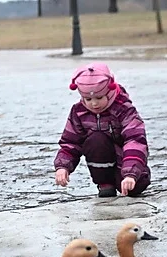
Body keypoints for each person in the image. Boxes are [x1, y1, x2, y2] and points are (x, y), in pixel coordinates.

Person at [54, 63, 151, 198]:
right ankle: (105, 184)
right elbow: (70, 142)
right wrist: (62, 166)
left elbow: (135, 140)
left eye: (99, 98)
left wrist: (130, 173)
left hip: (129, 164)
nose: (94, 104)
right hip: (102, 161)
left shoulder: (124, 109)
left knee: (134, 189)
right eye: (88, 99)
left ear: (109, 92)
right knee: (96, 139)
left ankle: (129, 179)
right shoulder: (79, 112)